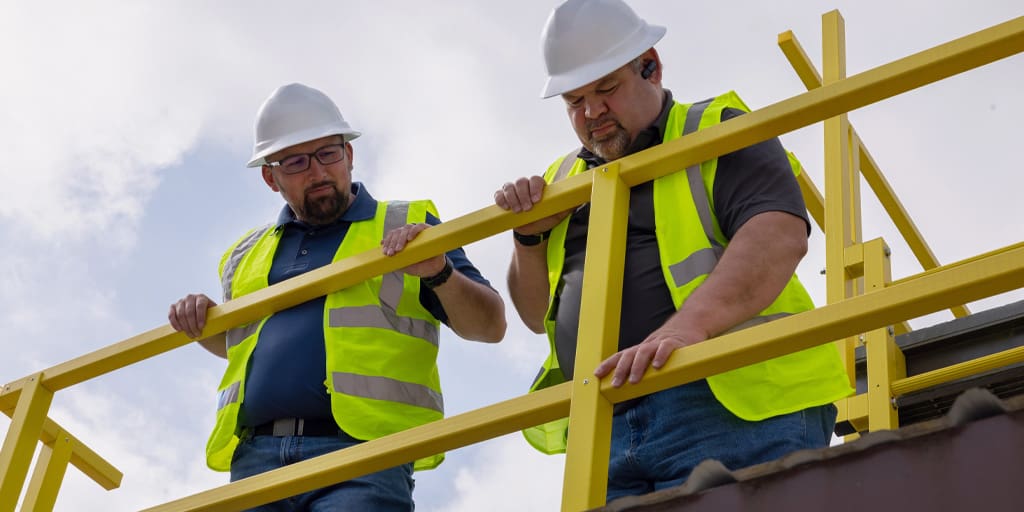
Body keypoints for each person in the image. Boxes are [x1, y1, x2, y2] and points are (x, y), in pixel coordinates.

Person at [493, 0, 853, 502]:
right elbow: (535, 316)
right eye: (574, 100)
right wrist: (527, 238)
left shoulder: (714, 127)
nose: (591, 112)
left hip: (731, 401)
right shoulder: (562, 182)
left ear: (651, 67)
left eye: (606, 88)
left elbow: (778, 235)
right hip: (604, 420)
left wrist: (688, 327)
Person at [169, 82, 506, 511]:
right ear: (271, 177)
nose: (318, 172)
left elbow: (490, 325)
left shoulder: (407, 224)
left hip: (364, 456)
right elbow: (241, 345)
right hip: (255, 460)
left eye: (329, 153)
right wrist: (201, 322)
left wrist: (438, 271)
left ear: (349, 155)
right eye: (296, 161)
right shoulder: (243, 255)